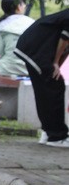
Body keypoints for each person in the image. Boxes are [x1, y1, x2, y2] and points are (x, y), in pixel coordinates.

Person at [12, 8, 69, 147]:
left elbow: (66, 47)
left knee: (48, 86)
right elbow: (65, 38)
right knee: (54, 87)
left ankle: (47, 131)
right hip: (37, 48)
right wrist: (55, 62)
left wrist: (56, 66)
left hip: (32, 46)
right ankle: (56, 136)